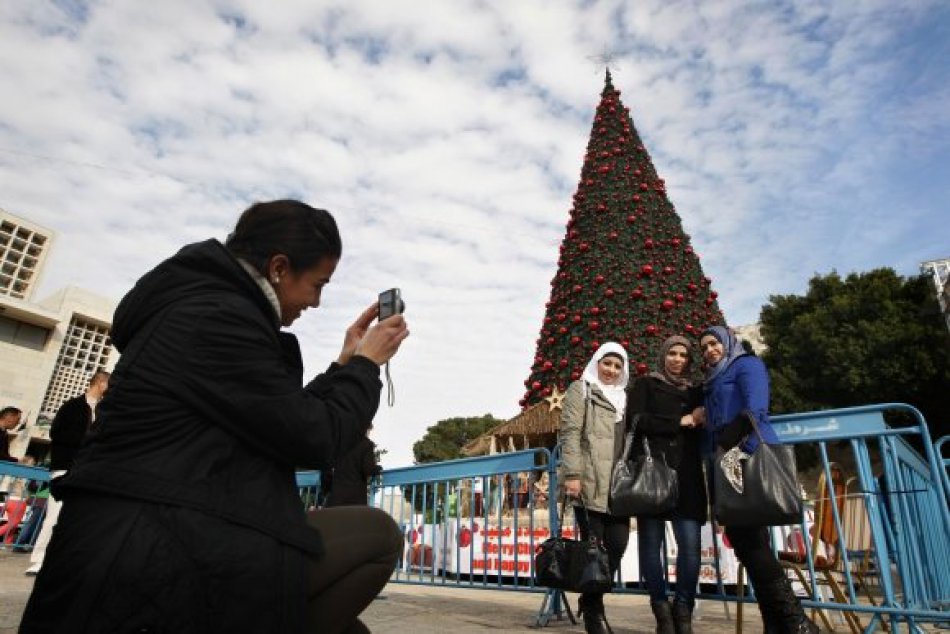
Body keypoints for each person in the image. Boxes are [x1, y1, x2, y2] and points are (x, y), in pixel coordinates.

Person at [20, 200, 410, 634]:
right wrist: (366, 367)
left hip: (170, 527)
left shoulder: (204, 307)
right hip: (147, 553)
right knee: (378, 536)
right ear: (279, 267)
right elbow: (313, 436)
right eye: (317, 284)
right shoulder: (217, 318)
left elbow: (275, 418)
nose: (315, 303)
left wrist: (342, 367)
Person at [699, 326, 818, 634]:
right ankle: (778, 623)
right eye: (705, 346)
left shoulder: (746, 365)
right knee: (744, 543)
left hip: (746, 457)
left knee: (752, 543)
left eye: (714, 343)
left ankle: (796, 622)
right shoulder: (711, 380)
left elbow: (756, 412)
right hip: (723, 465)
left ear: (727, 342)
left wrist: (740, 452)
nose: (710, 350)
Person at [626, 336, 706, 634]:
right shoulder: (647, 384)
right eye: (672, 353)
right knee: (650, 548)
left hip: (687, 477)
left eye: (683, 354)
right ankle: (661, 612)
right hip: (653, 473)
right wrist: (681, 421)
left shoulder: (697, 390)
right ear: (663, 355)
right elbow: (636, 419)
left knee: (690, 549)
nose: (677, 359)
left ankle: (683, 609)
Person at [560, 342, 630, 634]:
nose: (611, 370)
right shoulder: (582, 389)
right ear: (596, 362)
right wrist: (572, 474)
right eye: (607, 363)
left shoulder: (625, 398)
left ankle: (590, 601)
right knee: (595, 550)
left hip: (618, 486)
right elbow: (570, 432)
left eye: (617, 366)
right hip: (590, 481)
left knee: (617, 545)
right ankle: (594, 614)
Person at [25, 371, 110, 575]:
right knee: (54, 516)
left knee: (79, 518)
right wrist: (87, 440)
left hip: (87, 470)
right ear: (100, 383)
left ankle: (63, 560)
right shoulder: (73, 406)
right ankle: (38, 560)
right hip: (65, 468)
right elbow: (57, 433)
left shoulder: (103, 410)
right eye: (109, 384)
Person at [324, 426, 381, 507]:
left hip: (335, 498)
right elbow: (368, 469)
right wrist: (377, 469)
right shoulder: (366, 444)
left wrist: (327, 490)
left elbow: (326, 470)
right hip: (355, 499)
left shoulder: (339, 443)